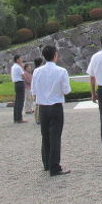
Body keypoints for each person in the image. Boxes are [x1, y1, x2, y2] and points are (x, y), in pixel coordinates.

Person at [31, 45, 71, 176]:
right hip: (55, 106)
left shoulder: (37, 71)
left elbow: (34, 91)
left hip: (42, 107)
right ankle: (55, 166)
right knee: (55, 137)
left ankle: (47, 164)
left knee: (45, 136)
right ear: (55, 55)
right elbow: (66, 90)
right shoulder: (61, 71)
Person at [11, 55, 27, 123]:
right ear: (17, 60)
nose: (21, 60)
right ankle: (19, 118)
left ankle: (16, 118)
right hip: (20, 83)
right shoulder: (18, 67)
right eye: (20, 59)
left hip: (16, 84)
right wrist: (22, 67)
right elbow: (24, 76)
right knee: (20, 101)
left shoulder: (13, 66)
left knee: (17, 101)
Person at [33, 57, 43, 125]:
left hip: (36, 89)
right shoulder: (39, 70)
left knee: (37, 105)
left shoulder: (35, 70)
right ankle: (38, 119)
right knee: (39, 105)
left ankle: (37, 118)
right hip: (39, 89)